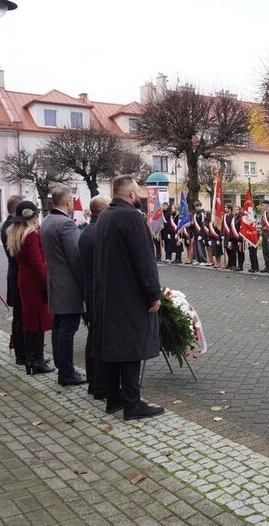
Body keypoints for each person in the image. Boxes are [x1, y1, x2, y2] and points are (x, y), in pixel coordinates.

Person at [93, 175, 165, 421]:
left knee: (114, 347)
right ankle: (133, 404)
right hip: (130, 295)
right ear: (132, 194)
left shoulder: (104, 216)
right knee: (132, 348)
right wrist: (153, 294)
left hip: (108, 293)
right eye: (137, 192)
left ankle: (114, 398)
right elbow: (145, 260)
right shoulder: (132, 217)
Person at [40, 186, 87, 386]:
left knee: (60, 326)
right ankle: (67, 372)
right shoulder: (66, 224)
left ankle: (63, 369)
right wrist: (86, 284)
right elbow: (77, 257)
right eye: (71, 201)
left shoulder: (47, 221)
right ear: (67, 201)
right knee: (67, 328)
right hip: (69, 286)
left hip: (56, 282)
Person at [6, 201, 55, 376]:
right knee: (37, 320)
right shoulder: (31, 235)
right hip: (33, 280)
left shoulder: (15, 232)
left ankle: (32, 358)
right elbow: (37, 263)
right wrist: (45, 285)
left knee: (30, 319)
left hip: (23, 277)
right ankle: (36, 360)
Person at [78, 195, 111, 400]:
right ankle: (100, 385)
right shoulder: (99, 233)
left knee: (94, 337)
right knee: (99, 339)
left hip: (90, 291)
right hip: (98, 293)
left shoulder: (87, 231)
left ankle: (94, 382)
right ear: (103, 210)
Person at [1, 194, 26, 366]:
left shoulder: (10, 224)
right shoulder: (12, 226)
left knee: (20, 316)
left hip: (15, 274)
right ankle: (22, 353)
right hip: (18, 275)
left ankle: (21, 350)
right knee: (21, 317)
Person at [192, 201, 209, 265]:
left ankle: (204, 260)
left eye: (198, 206)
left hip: (200, 233)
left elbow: (202, 224)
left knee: (200, 247)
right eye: (195, 206)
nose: (196, 207)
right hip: (196, 233)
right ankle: (198, 259)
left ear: (200, 206)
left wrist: (201, 234)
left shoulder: (202, 214)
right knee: (196, 248)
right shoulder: (195, 214)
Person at [259, 202, 269, 273]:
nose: (261, 206)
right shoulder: (263, 214)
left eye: (263, 205)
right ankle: (267, 265)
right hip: (264, 234)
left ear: (267, 205)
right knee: (264, 250)